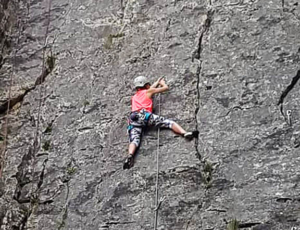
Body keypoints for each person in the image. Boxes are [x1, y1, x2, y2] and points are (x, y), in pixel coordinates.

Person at [123, 76, 199, 169]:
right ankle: (184, 133)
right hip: (145, 116)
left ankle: (130, 155)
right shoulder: (148, 91)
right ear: (146, 85)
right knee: (169, 123)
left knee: (134, 139)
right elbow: (165, 88)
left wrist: (157, 82)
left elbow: (150, 89)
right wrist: (162, 83)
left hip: (134, 119)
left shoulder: (134, 97)